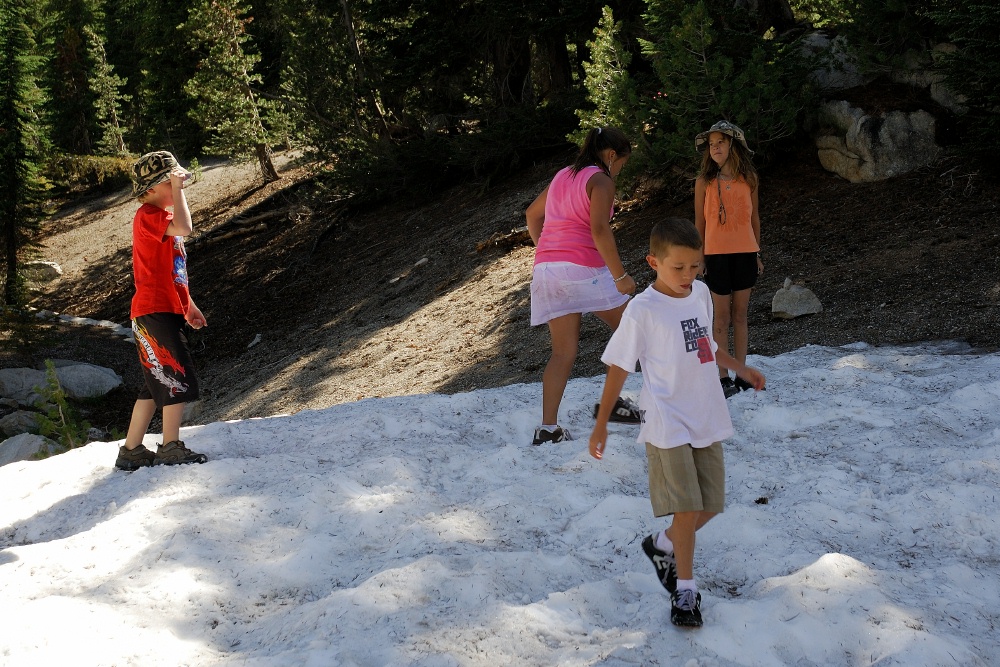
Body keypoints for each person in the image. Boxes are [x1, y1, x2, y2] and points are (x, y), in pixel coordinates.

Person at [589, 217, 765, 627]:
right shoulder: (643, 310)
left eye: (695, 266)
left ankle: (663, 543)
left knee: (711, 505)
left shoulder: (701, 294)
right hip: (666, 419)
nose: (688, 276)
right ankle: (685, 592)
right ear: (653, 261)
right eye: (678, 268)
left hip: (705, 411)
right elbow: (618, 366)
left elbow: (708, 345)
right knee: (687, 508)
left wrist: (740, 368)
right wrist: (602, 421)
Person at [526, 126, 641, 445]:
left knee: (562, 353)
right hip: (584, 269)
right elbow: (600, 230)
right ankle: (615, 403)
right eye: (623, 164)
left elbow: (532, 215)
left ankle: (547, 428)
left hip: (547, 270)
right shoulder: (601, 180)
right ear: (612, 155)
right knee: (636, 327)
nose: (620, 171)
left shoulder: (563, 175)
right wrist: (621, 277)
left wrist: (548, 251)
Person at [114, 151, 209, 471]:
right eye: (170, 181)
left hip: (162, 309)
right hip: (153, 310)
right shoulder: (149, 215)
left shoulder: (162, 217)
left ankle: (132, 449)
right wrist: (178, 191)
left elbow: (175, 271)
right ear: (152, 188)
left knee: (155, 383)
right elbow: (186, 226)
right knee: (174, 377)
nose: (178, 185)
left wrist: (189, 306)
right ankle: (170, 446)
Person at [693, 120, 763, 397]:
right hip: (716, 256)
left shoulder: (750, 179)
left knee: (741, 315)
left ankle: (742, 372)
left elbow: (754, 217)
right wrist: (700, 258)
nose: (715, 148)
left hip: (745, 253)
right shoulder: (704, 182)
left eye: (720, 142)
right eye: (711, 144)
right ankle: (722, 377)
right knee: (720, 318)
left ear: (733, 144)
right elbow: (699, 222)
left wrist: (757, 252)